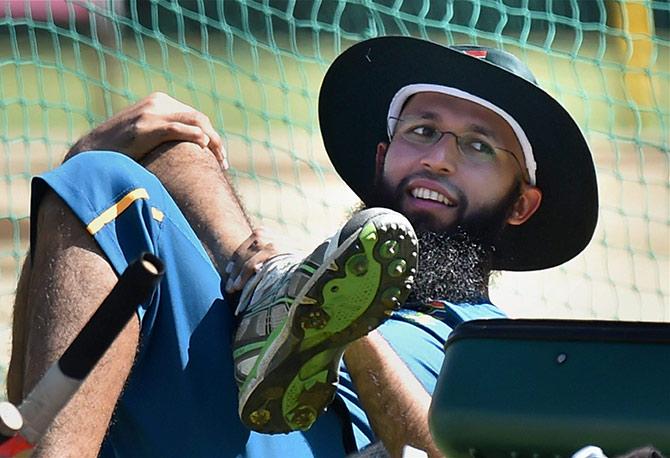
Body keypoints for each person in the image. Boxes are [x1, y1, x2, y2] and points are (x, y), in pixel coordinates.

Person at [6, 36, 598, 457]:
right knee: (122, 167)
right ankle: (267, 278)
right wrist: (75, 171)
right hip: (201, 407)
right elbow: (30, 404)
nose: (438, 156)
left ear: (521, 204)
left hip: (303, 443)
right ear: (381, 158)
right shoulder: (244, 305)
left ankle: (279, 295)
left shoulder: (503, 349)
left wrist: (345, 326)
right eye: (421, 131)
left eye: (477, 147)